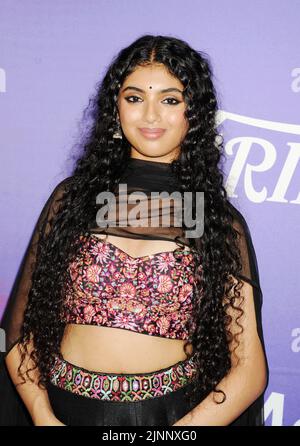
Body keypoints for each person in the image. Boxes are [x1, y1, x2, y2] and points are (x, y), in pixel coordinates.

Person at [0, 34, 268, 426]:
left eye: (170, 99)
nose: (151, 116)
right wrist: (43, 417)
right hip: (62, 412)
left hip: (168, 417)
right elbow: (18, 332)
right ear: (116, 107)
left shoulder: (213, 220)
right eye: (135, 97)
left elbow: (248, 370)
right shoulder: (74, 199)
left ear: (193, 111)